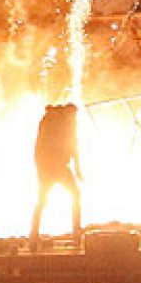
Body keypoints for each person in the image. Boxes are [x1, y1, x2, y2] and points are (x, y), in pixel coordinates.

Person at [30, 103, 82, 252]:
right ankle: (76, 234)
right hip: (56, 166)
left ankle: (33, 237)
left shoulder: (48, 120)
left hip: (47, 166)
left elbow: (39, 147)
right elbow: (72, 146)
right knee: (75, 196)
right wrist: (77, 168)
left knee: (42, 201)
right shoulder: (62, 122)